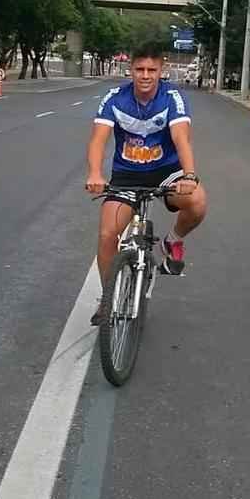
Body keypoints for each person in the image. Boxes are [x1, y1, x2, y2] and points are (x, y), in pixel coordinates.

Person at [85, 42, 208, 325]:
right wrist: (94, 173)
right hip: (127, 175)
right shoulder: (115, 98)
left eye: (152, 70)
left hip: (166, 172)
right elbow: (98, 139)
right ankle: (107, 299)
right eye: (139, 69)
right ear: (131, 70)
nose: (145, 75)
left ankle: (172, 241)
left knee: (198, 202)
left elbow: (181, 138)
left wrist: (189, 176)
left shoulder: (172, 97)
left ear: (160, 71)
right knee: (107, 235)